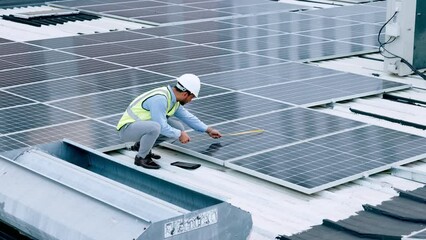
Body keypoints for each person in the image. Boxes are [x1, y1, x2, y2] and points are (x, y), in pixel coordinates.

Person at [116, 73, 222, 169]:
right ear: (185, 94)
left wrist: (208, 130)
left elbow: (188, 117)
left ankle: (142, 146)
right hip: (127, 129)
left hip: (140, 128)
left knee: (177, 127)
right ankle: (141, 158)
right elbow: (161, 126)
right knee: (156, 127)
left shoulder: (174, 100)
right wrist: (180, 135)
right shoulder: (160, 99)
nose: (191, 101)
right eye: (192, 97)